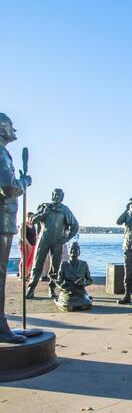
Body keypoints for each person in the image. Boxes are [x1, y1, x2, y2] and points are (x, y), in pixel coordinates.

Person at [0, 113, 31, 343]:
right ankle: (1, 328)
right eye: (11, 126)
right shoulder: (1, 154)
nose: (15, 130)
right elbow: (8, 188)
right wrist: (24, 183)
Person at [26, 189, 79, 300]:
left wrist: (67, 238)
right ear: (51, 195)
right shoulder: (45, 207)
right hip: (43, 239)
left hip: (57, 241)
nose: (56, 196)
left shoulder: (65, 210)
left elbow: (75, 226)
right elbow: (32, 221)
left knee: (55, 266)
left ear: (62, 197)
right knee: (37, 264)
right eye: (54, 194)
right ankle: (31, 288)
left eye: (58, 195)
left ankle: (51, 288)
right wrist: (42, 213)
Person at [55, 242, 93, 311]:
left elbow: (90, 280)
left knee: (85, 304)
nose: (73, 251)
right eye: (71, 249)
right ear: (69, 251)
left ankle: (86, 299)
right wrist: (58, 284)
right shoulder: (64, 264)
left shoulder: (84, 264)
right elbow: (59, 281)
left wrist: (83, 283)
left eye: (76, 249)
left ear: (79, 252)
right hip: (68, 290)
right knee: (68, 304)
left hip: (80, 290)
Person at [17, 211, 36, 280]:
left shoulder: (33, 225)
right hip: (25, 245)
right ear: (27, 217)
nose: (32, 219)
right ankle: (21, 275)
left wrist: (34, 245)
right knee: (24, 260)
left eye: (33, 217)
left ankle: (27, 275)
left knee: (30, 261)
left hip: (33, 245)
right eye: (30, 217)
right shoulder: (23, 225)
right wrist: (28, 245)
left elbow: (35, 235)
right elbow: (22, 237)